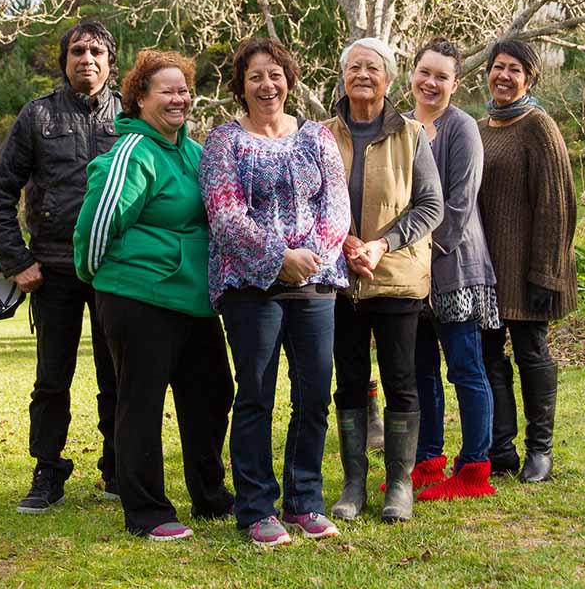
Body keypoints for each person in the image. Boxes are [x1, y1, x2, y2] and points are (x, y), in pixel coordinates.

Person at [73, 50, 235, 540]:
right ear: (139, 98)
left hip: (192, 297)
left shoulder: (194, 152)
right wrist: (103, 280)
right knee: (140, 402)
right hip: (138, 295)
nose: (179, 98)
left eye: (183, 89)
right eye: (166, 90)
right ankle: (148, 512)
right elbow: (95, 226)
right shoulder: (131, 153)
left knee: (213, 391)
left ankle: (210, 496)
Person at [199, 37, 350, 547]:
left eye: (275, 74)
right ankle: (256, 507)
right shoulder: (224, 141)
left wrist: (307, 261)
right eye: (255, 76)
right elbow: (223, 214)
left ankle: (305, 501)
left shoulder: (317, 138)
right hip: (250, 286)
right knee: (256, 395)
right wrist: (276, 259)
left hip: (315, 286)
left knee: (314, 395)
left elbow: (336, 209)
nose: (267, 85)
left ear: (290, 79)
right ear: (241, 86)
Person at [0, 20, 120, 513]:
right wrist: (18, 261)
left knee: (119, 375)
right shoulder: (37, 116)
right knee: (51, 379)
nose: (87, 58)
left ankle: (118, 467)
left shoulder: (130, 115)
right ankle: (47, 470)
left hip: (114, 270)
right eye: (77, 51)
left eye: (97, 51)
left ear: (111, 60)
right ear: (65, 61)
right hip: (53, 271)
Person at [324, 37, 443, 523]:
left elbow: (430, 205)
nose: (362, 75)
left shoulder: (412, 134)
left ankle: (399, 484)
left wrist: (380, 244)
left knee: (401, 380)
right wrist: (347, 243)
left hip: (395, 276)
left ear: (389, 79)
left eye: (372, 67)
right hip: (339, 277)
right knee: (349, 380)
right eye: (354, 67)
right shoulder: (322, 134)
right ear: (343, 76)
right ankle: (354, 484)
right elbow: (312, 202)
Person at [478, 40, 577, 483]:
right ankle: (501, 449)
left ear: (530, 78)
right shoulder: (481, 128)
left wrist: (546, 273)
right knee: (488, 355)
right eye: (498, 67)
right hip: (486, 269)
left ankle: (540, 449)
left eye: (514, 69)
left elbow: (557, 206)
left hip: (529, 269)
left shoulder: (540, 126)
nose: (503, 75)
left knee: (531, 352)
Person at [407, 38, 497, 501]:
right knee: (420, 368)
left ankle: (474, 469)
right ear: (412, 74)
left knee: (465, 367)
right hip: (408, 273)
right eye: (426, 72)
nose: (431, 82)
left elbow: (459, 207)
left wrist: (421, 252)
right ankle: (427, 459)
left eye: (442, 76)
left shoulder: (462, 128)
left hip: (454, 266)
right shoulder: (399, 127)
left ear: (455, 84)